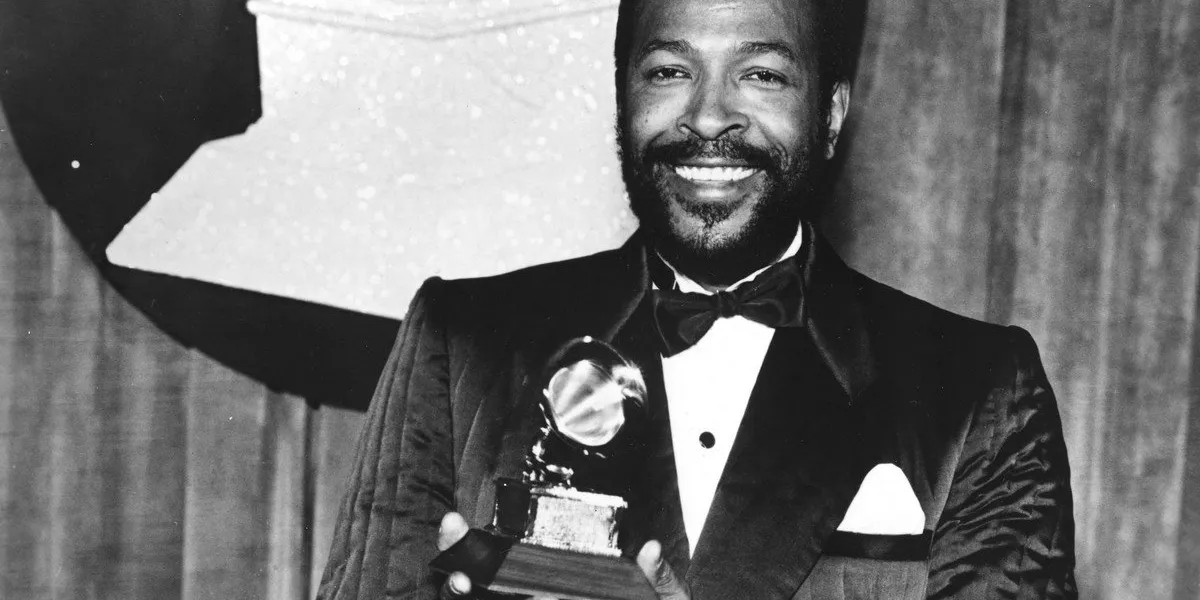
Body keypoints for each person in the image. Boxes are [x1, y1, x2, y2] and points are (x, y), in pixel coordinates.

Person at [316, 0, 1078, 597]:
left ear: (833, 115)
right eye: (669, 71)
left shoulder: (978, 390)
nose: (709, 116)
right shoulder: (459, 344)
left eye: (762, 74)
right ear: (621, 99)